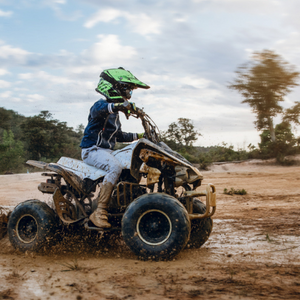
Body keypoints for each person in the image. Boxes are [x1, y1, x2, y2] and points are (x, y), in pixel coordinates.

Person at [80, 67, 150, 228]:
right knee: (115, 167)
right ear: (114, 87)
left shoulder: (115, 115)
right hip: (92, 150)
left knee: (133, 163)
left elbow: (119, 136)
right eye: (127, 90)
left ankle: (122, 205)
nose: (128, 94)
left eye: (130, 92)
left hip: (107, 151)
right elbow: (102, 109)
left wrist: (140, 136)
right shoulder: (100, 106)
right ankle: (99, 212)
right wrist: (121, 106)